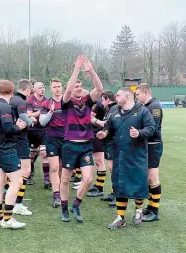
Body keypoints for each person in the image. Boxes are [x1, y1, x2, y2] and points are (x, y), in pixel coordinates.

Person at [97, 87, 155, 229]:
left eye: (118, 95)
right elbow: (108, 128)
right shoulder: (114, 112)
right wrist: (104, 134)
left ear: (127, 97)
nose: (115, 98)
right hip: (120, 156)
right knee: (120, 185)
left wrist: (140, 133)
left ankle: (138, 211)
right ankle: (120, 217)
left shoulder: (142, 111)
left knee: (138, 185)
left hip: (137, 156)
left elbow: (152, 127)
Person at [60, 55, 103, 222]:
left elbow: (99, 88)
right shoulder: (66, 102)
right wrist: (76, 69)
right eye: (75, 85)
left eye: (80, 86)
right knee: (65, 179)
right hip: (70, 146)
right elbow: (68, 90)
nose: (78, 88)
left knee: (88, 179)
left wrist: (91, 71)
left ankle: (76, 205)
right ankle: (64, 208)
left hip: (86, 146)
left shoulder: (87, 100)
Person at [0, 80, 27, 229]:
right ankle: (8, 219)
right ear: (12, 92)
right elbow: (7, 128)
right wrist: (19, 126)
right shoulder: (5, 106)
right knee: (17, 182)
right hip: (5, 149)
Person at [135, 83, 163, 222]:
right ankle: (151, 207)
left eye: (138, 94)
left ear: (145, 93)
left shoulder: (155, 107)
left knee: (153, 177)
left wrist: (138, 133)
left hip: (153, 145)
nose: (137, 96)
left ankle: (155, 211)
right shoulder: (145, 106)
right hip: (147, 145)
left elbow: (153, 128)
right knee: (148, 178)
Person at [9, 79, 35, 216]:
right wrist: (31, 122)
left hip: (12, 139)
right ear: (27, 90)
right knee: (25, 171)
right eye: (30, 91)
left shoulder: (12, 99)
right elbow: (23, 116)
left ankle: (12, 201)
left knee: (14, 172)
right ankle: (17, 204)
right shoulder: (20, 101)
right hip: (20, 139)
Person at [39, 79, 65, 207]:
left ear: (63, 87)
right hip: (51, 138)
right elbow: (42, 122)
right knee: (54, 167)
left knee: (61, 167)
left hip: (66, 139)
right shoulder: (46, 103)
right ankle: (56, 195)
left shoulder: (68, 102)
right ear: (51, 89)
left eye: (59, 86)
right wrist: (50, 112)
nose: (57, 89)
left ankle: (60, 190)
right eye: (55, 87)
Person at [91, 90, 118, 203]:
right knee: (112, 168)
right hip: (109, 140)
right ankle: (114, 193)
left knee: (114, 169)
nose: (102, 102)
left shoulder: (114, 108)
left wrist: (94, 120)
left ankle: (116, 194)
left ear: (107, 99)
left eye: (103, 100)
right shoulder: (110, 108)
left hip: (114, 141)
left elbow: (107, 124)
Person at [26, 82, 49, 187]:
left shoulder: (47, 100)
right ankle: (29, 175)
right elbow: (29, 115)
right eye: (40, 87)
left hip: (44, 130)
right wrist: (41, 111)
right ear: (34, 89)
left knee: (44, 153)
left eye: (43, 87)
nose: (42, 89)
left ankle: (47, 180)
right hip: (32, 131)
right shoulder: (30, 100)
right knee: (32, 155)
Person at [86, 99, 106, 197]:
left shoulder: (97, 103)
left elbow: (90, 116)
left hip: (98, 133)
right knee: (97, 161)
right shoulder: (95, 103)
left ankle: (100, 187)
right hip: (94, 133)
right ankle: (98, 185)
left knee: (99, 161)